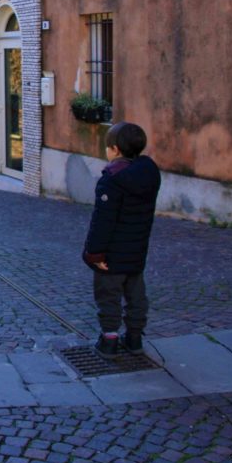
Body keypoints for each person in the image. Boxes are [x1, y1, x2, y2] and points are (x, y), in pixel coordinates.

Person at [82, 122, 161, 358]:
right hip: (137, 248)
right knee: (136, 295)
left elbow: (102, 222)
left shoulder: (112, 180)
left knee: (109, 296)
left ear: (115, 149)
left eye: (107, 148)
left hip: (112, 253)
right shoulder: (149, 174)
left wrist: (94, 253)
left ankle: (109, 341)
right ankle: (135, 338)